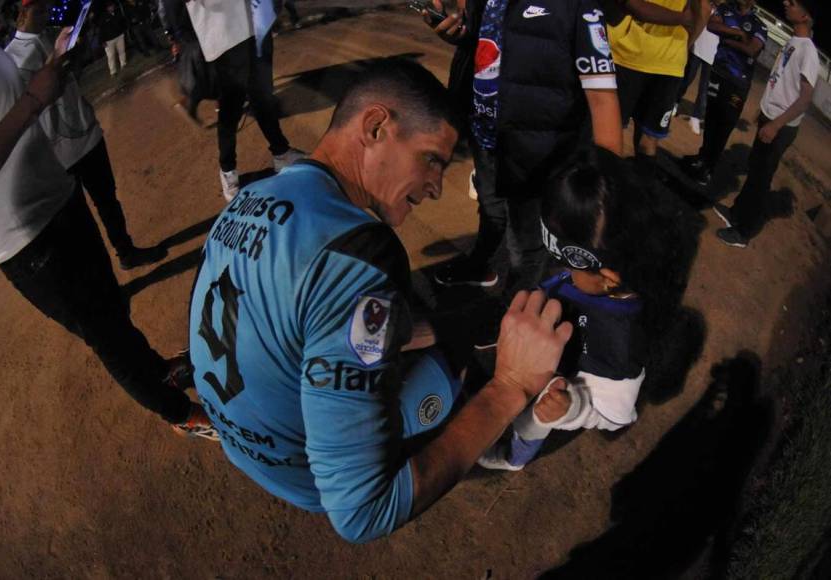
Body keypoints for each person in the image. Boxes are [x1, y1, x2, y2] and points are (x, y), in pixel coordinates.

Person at [188, 60, 572, 543]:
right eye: (432, 158)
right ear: (375, 127)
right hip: (308, 474)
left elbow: (301, 312)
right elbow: (362, 513)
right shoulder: (359, 250)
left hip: (247, 446)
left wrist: (433, 327)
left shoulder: (250, 198)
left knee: (449, 325)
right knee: (456, 365)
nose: (436, 187)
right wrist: (511, 385)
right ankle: (492, 441)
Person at [0, 0, 211, 437]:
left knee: (112, 310)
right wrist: (35, 100)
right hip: (26, 239)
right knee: (106, 334)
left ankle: (156, 370)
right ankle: (181, 416)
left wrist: (48, 65)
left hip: (57, 198)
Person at [426, 0, 623, 343]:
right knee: (490, 209)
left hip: (538, 155)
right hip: (486, 135)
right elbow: (487, 44)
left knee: (526, 248)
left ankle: (512, 312)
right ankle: (480, 265)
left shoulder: (580, 6)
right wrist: (457, 33)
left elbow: (603, 100)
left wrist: (603, 201)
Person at [480, 147, 687, 470]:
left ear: (608, 278)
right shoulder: (591, 272)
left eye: (568, 265)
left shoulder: (621, 348)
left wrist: (571, 408)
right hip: (535, 365)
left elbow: (615, 416)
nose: (561, 271)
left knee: (527, 425)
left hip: (552, 395)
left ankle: (514, 457)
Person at [5, 0, 166, 269]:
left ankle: (126, 252)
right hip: (59, 153)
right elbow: (31, 105)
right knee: (80, 224)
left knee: (108, 201)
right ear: (22, 13)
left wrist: (73, 56)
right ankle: (103, 281)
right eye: (38, 8)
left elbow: (72, 77)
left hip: (86, 133)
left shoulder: (52, 35)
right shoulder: (13, 58)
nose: (46, 11)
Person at [166, 0, 304, 201]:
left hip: (253, 24)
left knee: (263, 96)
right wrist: (177, 35)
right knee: (231, 106)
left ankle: (281, 152)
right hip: (223, 35)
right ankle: (228, 171)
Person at [714, 0, 820, 248]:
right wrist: (764, 113)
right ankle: (737, 213)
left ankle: (744, 232)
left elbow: (805, 99)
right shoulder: (793, 42)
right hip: (770, 117)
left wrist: (775, 125)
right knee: (755, 170)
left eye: (793, 3)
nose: (786, 3)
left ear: (805, 16)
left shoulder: (809, 52)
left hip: (781, 125)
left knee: (761, 177)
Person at [603, 0, 705, 170]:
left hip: (629, 53)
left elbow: (634, 5)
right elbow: (703, 11)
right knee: (648, 141)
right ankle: (637, 190)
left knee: (608, 131)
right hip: (670, 61)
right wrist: (682, 43)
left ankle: (598, 188)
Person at [680, 0, 766, 186]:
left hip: (738, 83)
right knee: (711, 118)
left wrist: (726, 37)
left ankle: (708, 169)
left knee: (724, 125)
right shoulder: (725, 9)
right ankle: (701, 158)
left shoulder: (760, 25)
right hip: (719, 73)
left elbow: (752, 49)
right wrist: (738, 34)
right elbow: (711, 25)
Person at [674, 1, 719, 135]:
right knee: (687, 78)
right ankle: (675, 103)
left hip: (713, 55)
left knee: (705, 88)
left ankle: (696, 116)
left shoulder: (727, 12)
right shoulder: (706, 4)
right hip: (697, 48)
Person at [99, 0, 128, 76]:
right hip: (109, 40)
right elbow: (101, 30)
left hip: (119, 36)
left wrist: (123, 31)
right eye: (110, 6)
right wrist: (102, 41)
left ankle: (123, 65)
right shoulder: (103, 17)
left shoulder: (117, 13)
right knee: (111, 56)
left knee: (122, 51)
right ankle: (113, 71)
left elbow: (123, 22)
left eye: (112, 6)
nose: (112, 7)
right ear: (107, 8)